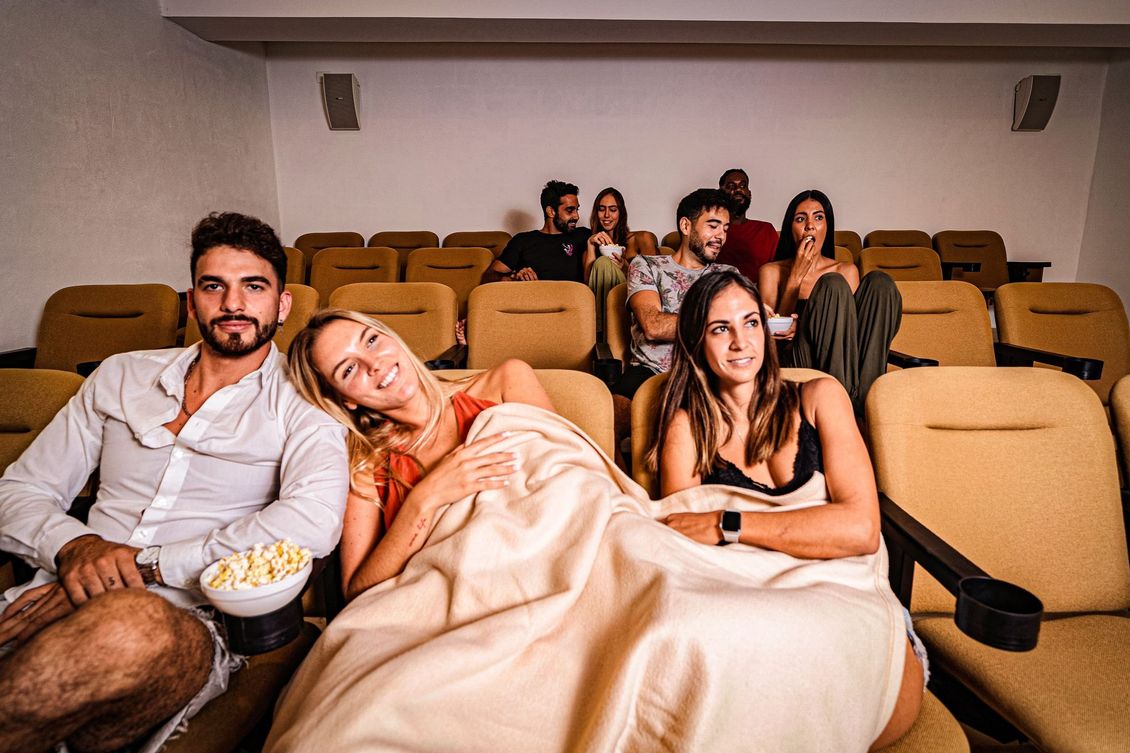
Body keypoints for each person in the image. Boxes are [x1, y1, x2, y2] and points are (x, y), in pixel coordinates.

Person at [0, 212, 349, 753]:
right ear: (193, 302)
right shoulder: (120, 375)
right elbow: (18, 490)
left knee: (129, 623)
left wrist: (137, 566)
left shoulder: (306, 399)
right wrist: (73, 547)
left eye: (253, 287)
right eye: (215, 286)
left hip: (184, 618)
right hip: (44, 593)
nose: (233, 304)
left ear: (282, 305)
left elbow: (312, 521)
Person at [650, 269, 924, 751]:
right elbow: (686, 559)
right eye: (720, 329)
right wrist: (805, 529)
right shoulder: (686, 427)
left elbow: (861, 529)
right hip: (751, 611)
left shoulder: (822, 397)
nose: (741, 342)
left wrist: (727, 522)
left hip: (850, 603)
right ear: (697, 341)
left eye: (751, 322)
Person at [288, 310, 555, 601]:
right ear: (345, 400)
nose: (374, 363)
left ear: (392, 337)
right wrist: (423, 498)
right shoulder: (365, 466)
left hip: (546, 568)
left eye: (372, 340)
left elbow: (572, 477)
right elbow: (357, 591)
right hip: (453, 604)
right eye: (348, 370)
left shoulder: (507, 381)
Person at [758, 189, 901, 413]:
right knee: (832, 284)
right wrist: (795, 276)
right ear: (790, 228)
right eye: (800, 219)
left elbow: (851, 338)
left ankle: (864, 401)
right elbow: (772, 337)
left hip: (844, 365)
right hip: (794, 357)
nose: (809, 225)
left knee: (880, 283)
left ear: (827, 226)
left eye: (818, 217)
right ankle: (843, 407)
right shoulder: (771, 271)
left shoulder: (846, 270)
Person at [613, 188, 738, 401]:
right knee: (614, 412)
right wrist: (720, 323)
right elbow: (653, 326)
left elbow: (741, 330)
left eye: (725, 229)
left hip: (710, 372)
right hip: (650, 372)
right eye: (713, 226)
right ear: (686, 226)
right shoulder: (647, 265)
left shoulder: (728, 274)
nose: (721, 236)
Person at [581, 187, 660, 334]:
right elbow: (588, 288)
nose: (606, 215)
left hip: (632, 297)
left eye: (612, 209)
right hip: (601, 304)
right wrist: (591, 246)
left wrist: (625, 266)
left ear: (621, 213)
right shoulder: (590, 249)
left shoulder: (641, 238)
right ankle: (601, 337)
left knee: (603, 262)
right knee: (602, 262)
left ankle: (599, 336)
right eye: (601, 209)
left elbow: (656, 278)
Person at [483, 180, 591, 283]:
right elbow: (489, 277)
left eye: (577, 209)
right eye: (570, 210)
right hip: (534, 300)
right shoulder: (523, 241)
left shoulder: (583, 236)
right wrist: (514, 278)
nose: (576, 216)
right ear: (551, 211)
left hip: (573, 299)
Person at [714, 168, 779, 282]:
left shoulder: (766, 230)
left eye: (743, 186)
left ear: (749, 194)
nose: (738, 190)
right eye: (731, 186)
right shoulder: (712, 231)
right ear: (720, 194)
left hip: (761, 294)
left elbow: (780, 270)